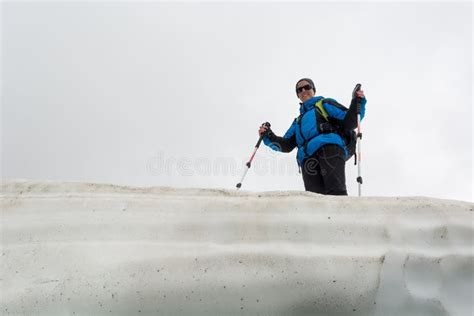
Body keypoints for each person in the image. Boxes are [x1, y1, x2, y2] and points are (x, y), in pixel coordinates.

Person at [258, 78, 366, 195]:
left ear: (313, 90)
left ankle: (340, 212)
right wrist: (268, 135)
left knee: (335, 192)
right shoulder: (298, 121)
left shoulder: (324, 104)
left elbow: (349, 121)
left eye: (307, 87)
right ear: (298, 95)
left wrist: (357, 102)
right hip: (307, 159)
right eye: (299, 90)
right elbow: (286, 145)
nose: (303, 90)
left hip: (329, 149)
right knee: (315, 201)